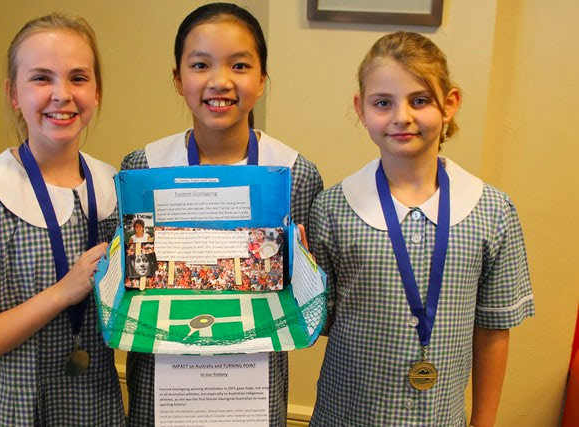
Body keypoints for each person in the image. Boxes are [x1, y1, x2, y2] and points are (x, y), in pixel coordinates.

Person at [308, 31, 534, 426]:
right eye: (383, 103)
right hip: (345, 415)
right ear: (361, 109)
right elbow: (321, 321)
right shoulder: (332, 208)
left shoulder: (493, 210)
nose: (402, 116)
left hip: (441, 418)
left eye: (420, 100)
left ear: (450, 104)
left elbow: (494, 330)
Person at [120, 3, 323, 425]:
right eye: (200, 64)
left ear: (263, 79)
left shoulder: (294, 174)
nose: (220, 81)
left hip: (250, 382)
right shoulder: (143, 168)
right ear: (178, 79)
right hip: (164, 382)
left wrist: (308, 275)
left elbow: (305, 302)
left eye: (240, 65)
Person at [0, 12, 125, 426]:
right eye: (42, 78)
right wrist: (63, 292)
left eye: (78, 78)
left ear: (97, 92)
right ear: (13, 93)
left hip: (91, 405)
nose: (62, 94)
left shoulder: (112, 187)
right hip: (10, 409)